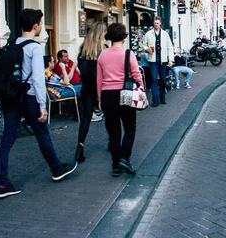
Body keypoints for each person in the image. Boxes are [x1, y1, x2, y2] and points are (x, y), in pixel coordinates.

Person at [0, 9, 77, 199]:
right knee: (42, 134)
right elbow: (38, 80)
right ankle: (57, 169)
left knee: (7, 139)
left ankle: (1, 184)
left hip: (12, 97)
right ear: (35, 26)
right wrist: (42, 105)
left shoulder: (12, 43)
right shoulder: (34, 47)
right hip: (30, 97)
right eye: (41, 23)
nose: (41, 27)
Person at [97, 23, 145, 177]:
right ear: (124, 37)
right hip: (124, 93)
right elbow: (136, 74)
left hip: (107, 95)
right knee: (130, 126)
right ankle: (125, 157)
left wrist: (99, 98)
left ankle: (116, 166)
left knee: (114, 131)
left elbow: (99, 79)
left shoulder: (102, 55)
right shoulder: (128, 54)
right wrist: (142, 90)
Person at [75, 21, 107, 163]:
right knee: (110, 114)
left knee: (86, 117)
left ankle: (80, 146)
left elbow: (80, 68)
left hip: (87, 87)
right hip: (101, 86)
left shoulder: (83, 49)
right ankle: (112, 142)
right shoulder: (103, 50)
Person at [143, 16, 174, 106]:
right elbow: (143, 44)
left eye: (157, 23)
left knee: (163, 79)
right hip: (152, 60)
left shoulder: (165, 34)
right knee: (153, 79)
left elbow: (169, 47)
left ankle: (162, 97)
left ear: (160, 23)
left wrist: (170, 60)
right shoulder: (148, 34)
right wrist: (147, 49)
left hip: (163, 60)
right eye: (154, 23)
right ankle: (155, 100)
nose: (156, 25)